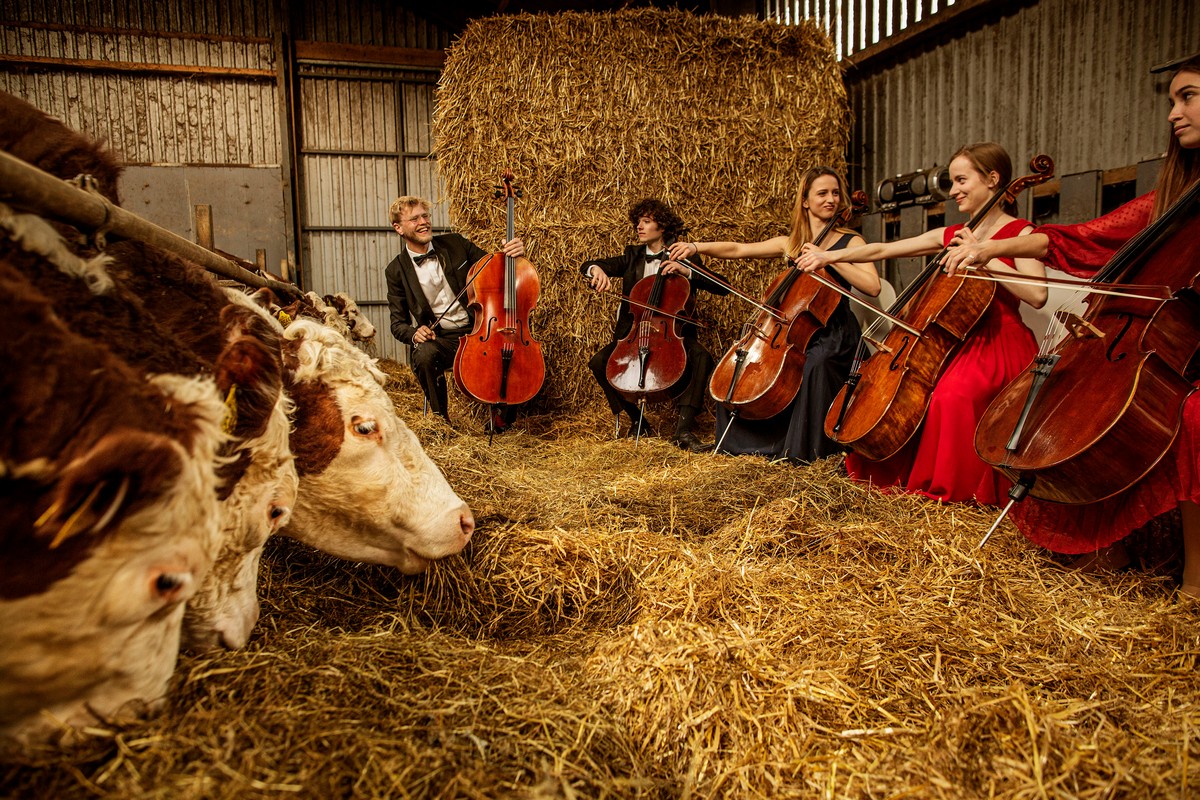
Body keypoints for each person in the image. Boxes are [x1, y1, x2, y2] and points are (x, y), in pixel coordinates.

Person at [942, 54, 1200, 596]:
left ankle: (1193, 576)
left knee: (1192, 415)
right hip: (1152, 344)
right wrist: (993, 247)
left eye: (1189, 96)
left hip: (1186, 347)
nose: (1175, 113)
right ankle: (1111, 542)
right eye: (1172, 101)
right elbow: (1075, 236)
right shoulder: (1169, 200)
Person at [794, 142, 1048, 504]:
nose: (954, 190)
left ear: (993, 180)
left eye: (961, 180)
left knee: (951, 396)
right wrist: (829, 255)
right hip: (955, 342)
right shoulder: (954, 233)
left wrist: (983, 256)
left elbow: (1037, 295)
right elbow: (883, 250)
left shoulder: (1020, 233)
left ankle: (961, 490)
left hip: (999, 343)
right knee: (916, 397)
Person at [666, 166, 880, 463]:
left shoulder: (851, 241)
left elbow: (872, 285)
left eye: (835, 193)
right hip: (794, 331)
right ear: (805, 201)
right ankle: (741, 443)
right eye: (822, 194)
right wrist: (695, 246)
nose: (831, 199)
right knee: (743, 367)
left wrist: (828, 258)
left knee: (815, 365)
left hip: (834, 331)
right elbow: (739, 249)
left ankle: (805, 450)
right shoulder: (791, 242)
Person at [581, 198, 730, 451]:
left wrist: (688, 272)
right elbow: (590, 265)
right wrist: (596, 271)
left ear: (662, 228)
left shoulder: (682, 256)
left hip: (672, 335)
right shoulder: (632, 256)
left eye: (646, 222)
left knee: (702, 357)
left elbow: (722, 286)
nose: (639, 226)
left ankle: (683, 431)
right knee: (598, 362)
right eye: (638, 222)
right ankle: (638, 421)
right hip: (635, 334)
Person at [385, 195, 524, 429]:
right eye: (414, 219)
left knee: (512, 347)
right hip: (444, 340)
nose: (423, 222)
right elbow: (397, 324)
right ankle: (442, 422)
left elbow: (495, 269)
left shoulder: (456, 243)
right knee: (423, 354)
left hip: (480, 327)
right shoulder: (396, 271)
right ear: (398, 228)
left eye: (425, 216)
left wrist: (512, 255)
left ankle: (504, 417)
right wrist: (414, 333)